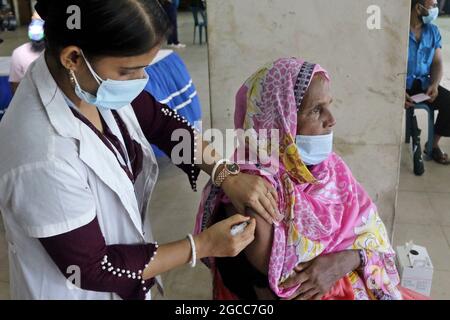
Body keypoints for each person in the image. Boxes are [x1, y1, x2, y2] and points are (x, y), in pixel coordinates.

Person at [0, 0, 284, 300]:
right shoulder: (40, 153)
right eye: (127, 71)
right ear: (73, 57)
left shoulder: (89, 83)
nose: (139, 83)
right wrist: (202, 246)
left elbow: (161, 121)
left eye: (143, 69)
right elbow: (91, 268)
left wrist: (225, 173)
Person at [195, 58, 428, 300]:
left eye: (328, 105)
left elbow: (374, 236)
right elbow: (286, 286)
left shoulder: (329, 168)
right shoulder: (252, 191)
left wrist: (347, 259)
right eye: (316, 110)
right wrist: (347, 260)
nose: (331, 119)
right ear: (281, 118)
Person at [405, 0, 450, 165]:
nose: (436, 10)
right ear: (418, 8)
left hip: (424, 85)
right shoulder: (397, 31)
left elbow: (437, 63)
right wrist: (395, 91)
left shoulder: (433, 31)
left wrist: (435, 84)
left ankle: (433, 145)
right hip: (400, 86)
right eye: (432, 5)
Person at [9, 12, 45, 94]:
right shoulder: (19, 54)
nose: (36, 25)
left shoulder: (61, 53)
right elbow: (15, 87)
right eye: (34, 20)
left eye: (41, 21)